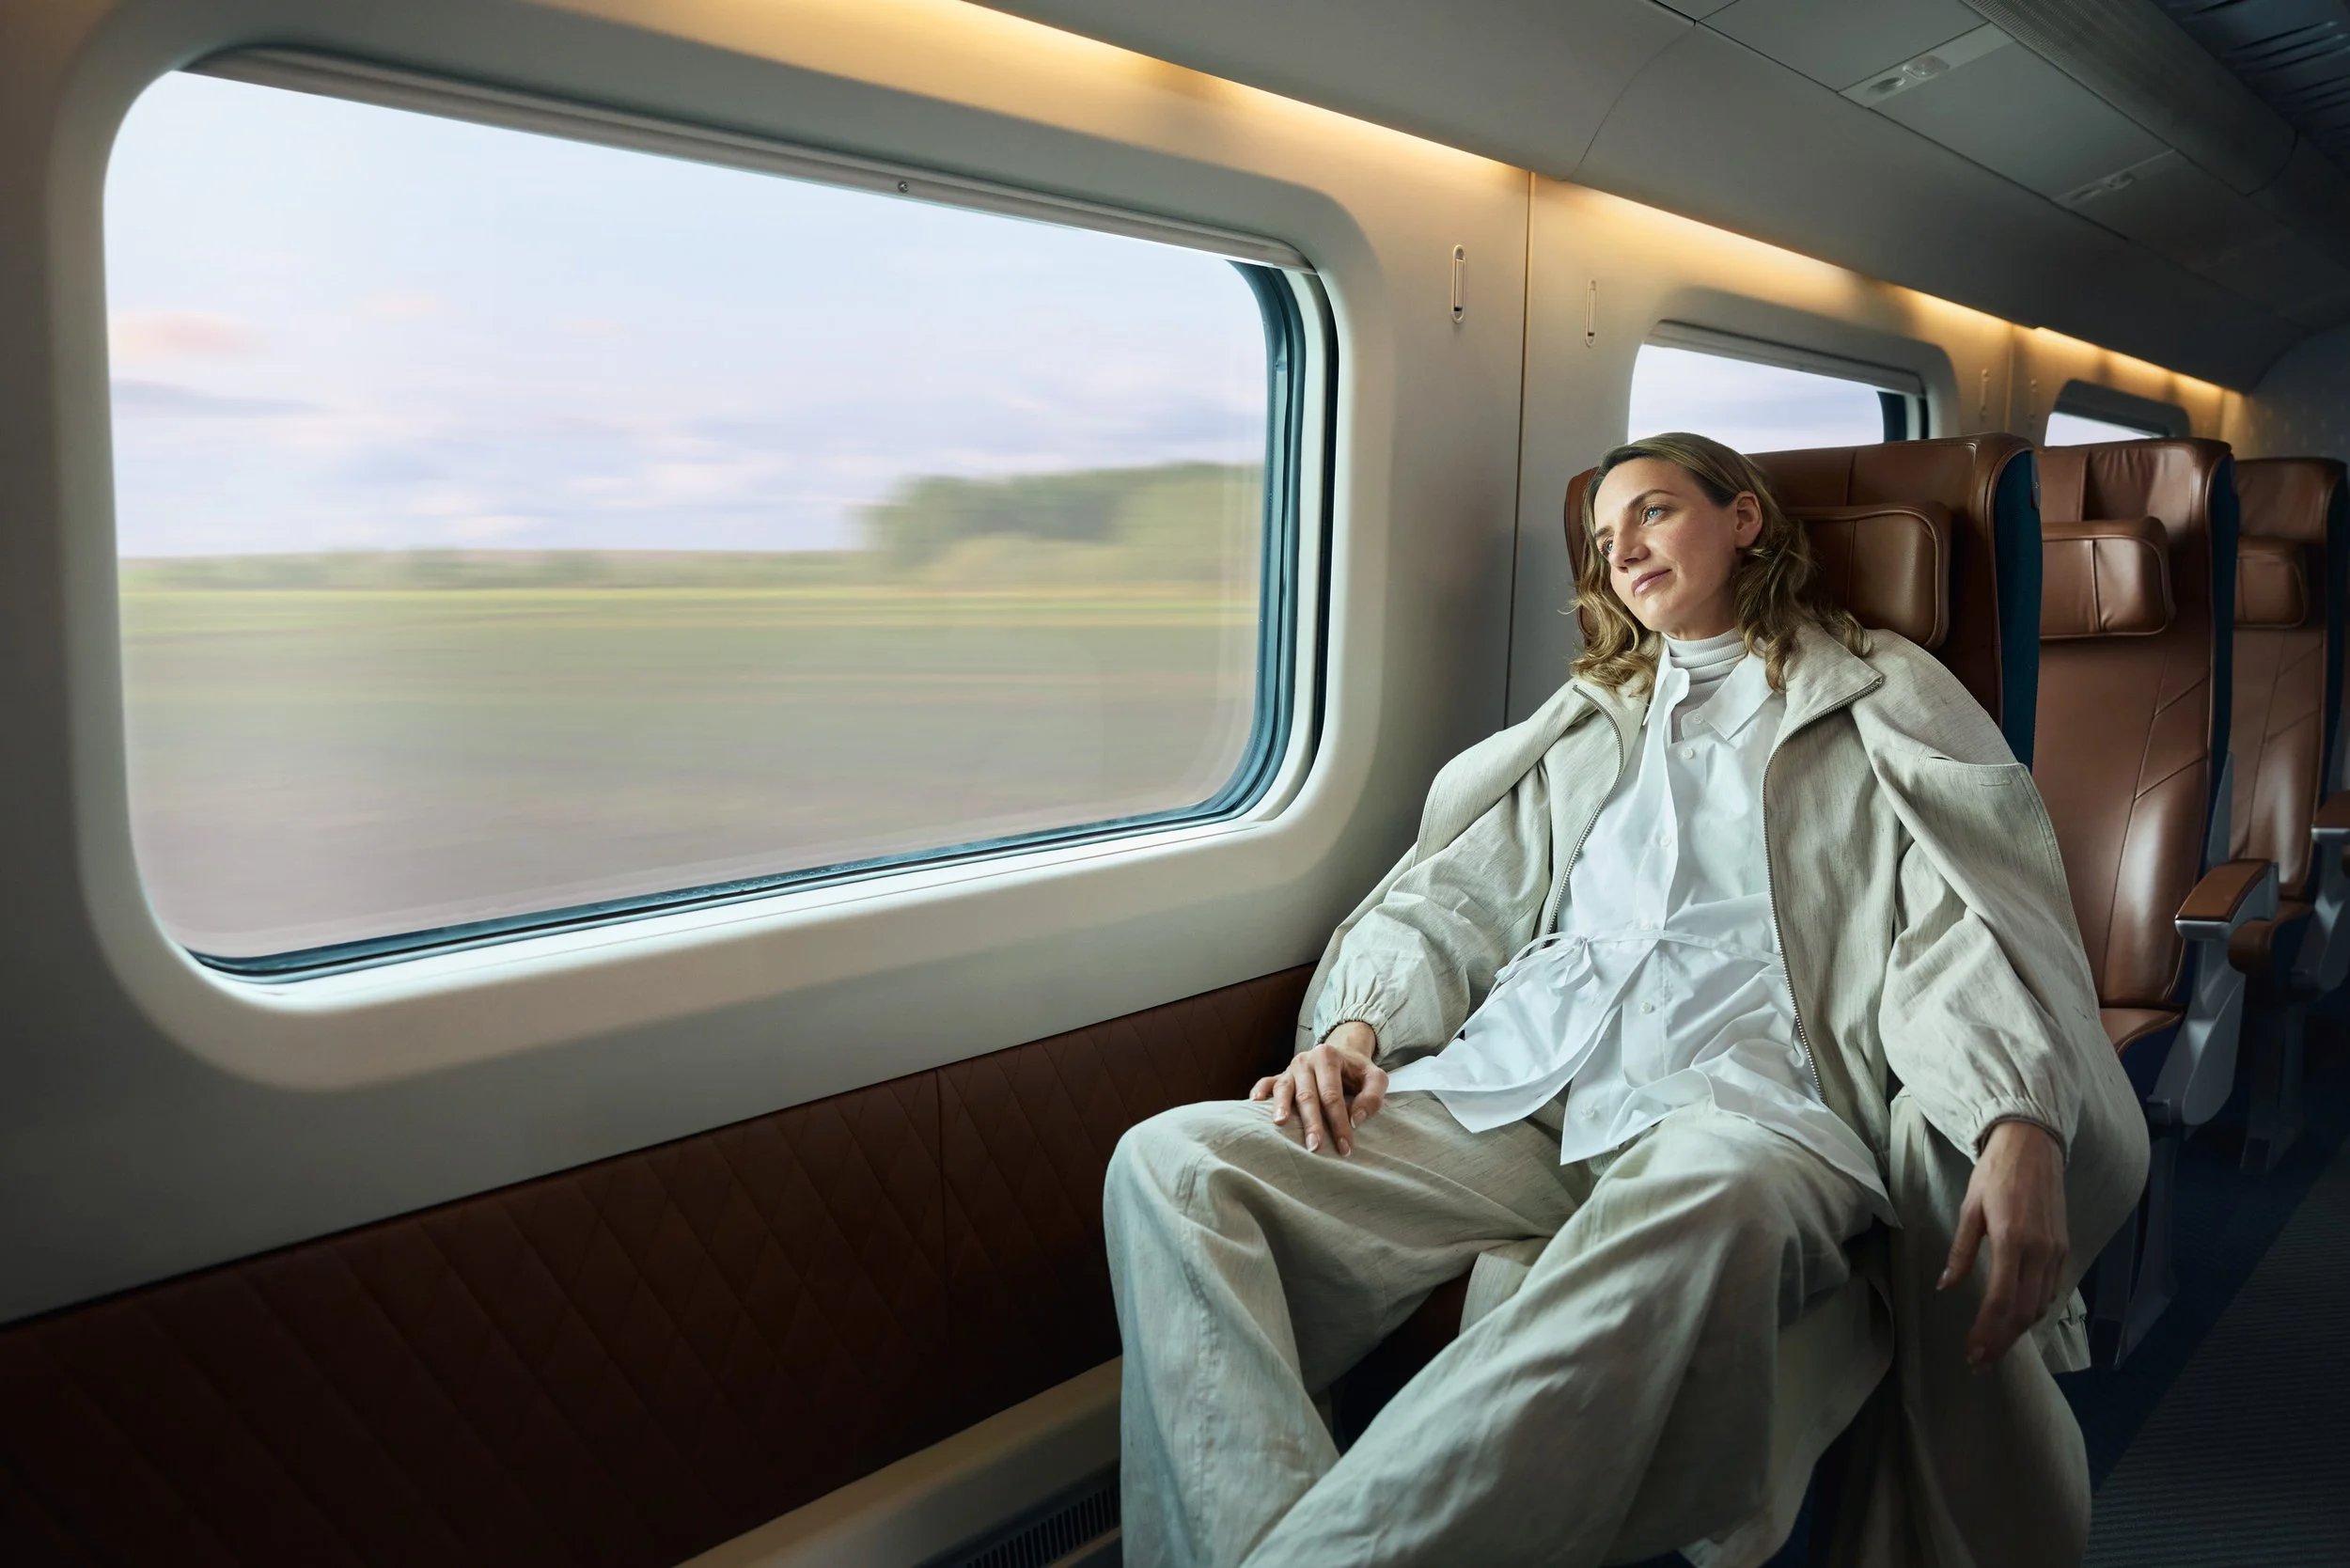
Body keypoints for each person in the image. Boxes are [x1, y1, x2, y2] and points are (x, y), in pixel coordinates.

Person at [1103, 432, 2149, 1568]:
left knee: (1716, 1195)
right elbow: (1452, 899)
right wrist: (1358, 1027)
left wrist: (2011, 1111)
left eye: (1651, 513)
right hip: (1521, 1093)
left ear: (1744, 520)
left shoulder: (1877, 696)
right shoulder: (1586, 724)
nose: (1623, 551)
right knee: (1172, 1167)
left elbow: (1961, 926)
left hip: (1739, 1105)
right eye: (1604, 540)